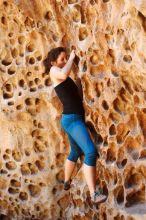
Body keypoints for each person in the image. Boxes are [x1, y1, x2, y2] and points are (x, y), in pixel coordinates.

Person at [43, 47, 107, 204]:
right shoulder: (53, 71)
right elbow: (64, 73)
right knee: (90, 152)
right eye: (62, 59)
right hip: (72, 120)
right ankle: (94, 194)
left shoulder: (62, 76)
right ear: (53, 62)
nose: (64, 61)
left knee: (75, 151)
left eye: (66, 58)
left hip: (72, 118)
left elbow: (75, 93)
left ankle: (66, 181)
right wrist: (71, 57)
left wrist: (80, 79)